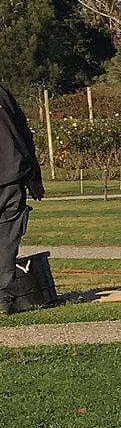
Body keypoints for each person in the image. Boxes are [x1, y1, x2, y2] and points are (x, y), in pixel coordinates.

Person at [0, 83, 44, 315]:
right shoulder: (4, 92)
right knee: (6, 243)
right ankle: (3, 299)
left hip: (11, 176)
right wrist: (34, 176)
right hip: (12, 174)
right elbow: (23, 134)